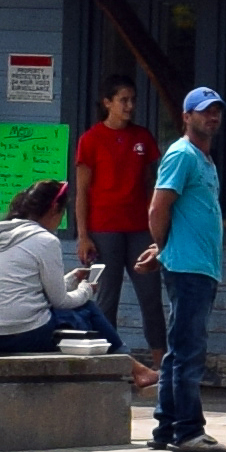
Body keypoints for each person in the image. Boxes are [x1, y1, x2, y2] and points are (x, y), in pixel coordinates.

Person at [142, 85, 226, 452]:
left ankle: (166, 428)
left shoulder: (204, 159)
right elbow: (157, 208)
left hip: (200, 265)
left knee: (180, 349)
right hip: (189, 267)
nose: (212, 116)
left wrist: (165, 247)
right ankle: (188, 430)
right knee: (190, 348)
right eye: (204, 110)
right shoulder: (182, 155)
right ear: (187, 116)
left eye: (216, 111)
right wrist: (164, 248)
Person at [69, 80, 160, 362]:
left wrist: (156, 229)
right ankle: (109, 361)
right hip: (104, 228)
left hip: (139, 228)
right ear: (107, 103)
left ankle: (162, 363)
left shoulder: (142, 138)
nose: (129, 106)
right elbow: (81, 190)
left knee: (151, 296)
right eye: (123, 100)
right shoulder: (91, 139)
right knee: (108, 297)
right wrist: (83, 235)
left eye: (133, 99)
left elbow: (151, 185)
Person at [0, 177, 103, 355]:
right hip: (25, 334)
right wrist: (87, 289)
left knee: (76, 312)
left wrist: (70, 280)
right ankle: (129, 363)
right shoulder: (46, 240)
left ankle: (134, 367)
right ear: (55, 209)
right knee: (87, 310)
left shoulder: (1, 238)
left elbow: (31, 288)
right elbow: (60, 301)